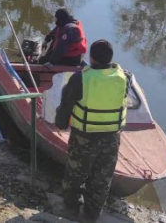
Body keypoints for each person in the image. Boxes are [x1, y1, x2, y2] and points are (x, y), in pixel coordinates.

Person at [54, 39, 132, 222]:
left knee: (75, 175)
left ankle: (71, 208)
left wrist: (61, 124)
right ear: (111, 57)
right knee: (102, 179)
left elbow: (66, 105)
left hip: (84, 138)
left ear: (91, 57)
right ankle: (92, 213)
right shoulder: (125, 76)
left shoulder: (81, 78)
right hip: (111, 138)